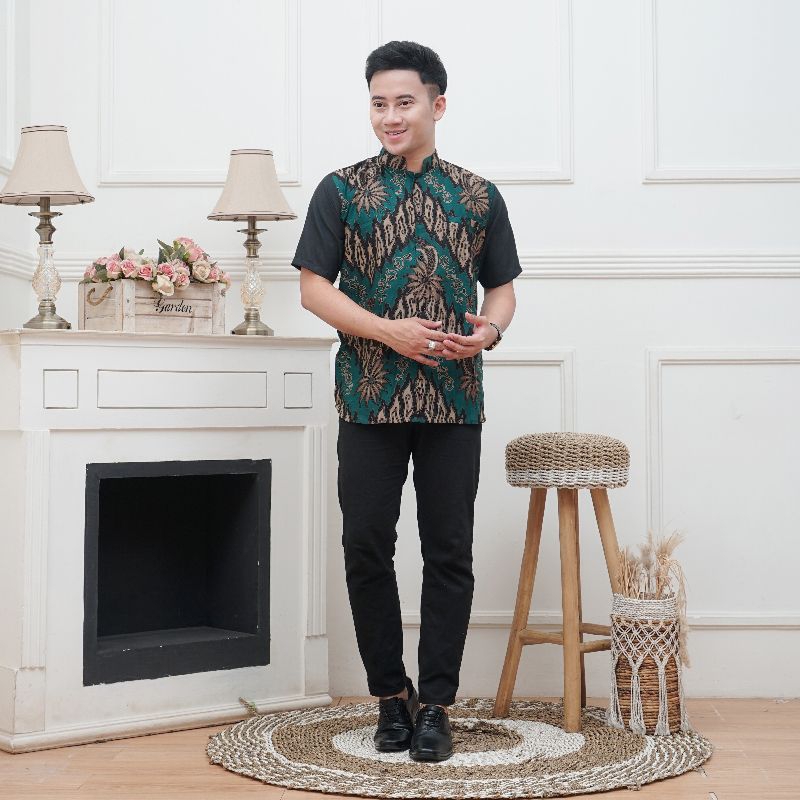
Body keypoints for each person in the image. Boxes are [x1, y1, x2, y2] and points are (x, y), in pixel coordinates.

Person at [292, 40, 521, 762]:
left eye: (404, 102)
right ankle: (392, 696)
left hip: (455, 399)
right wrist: (387, 330)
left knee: (449, 550)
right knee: (366, 544)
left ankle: (438, 705)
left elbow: (502, 290)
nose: (390, 116)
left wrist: (489, 331)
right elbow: (313, 289)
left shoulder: (479, 196)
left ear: (437, 105)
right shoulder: (340, 190)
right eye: (378, 103)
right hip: (368, 398)